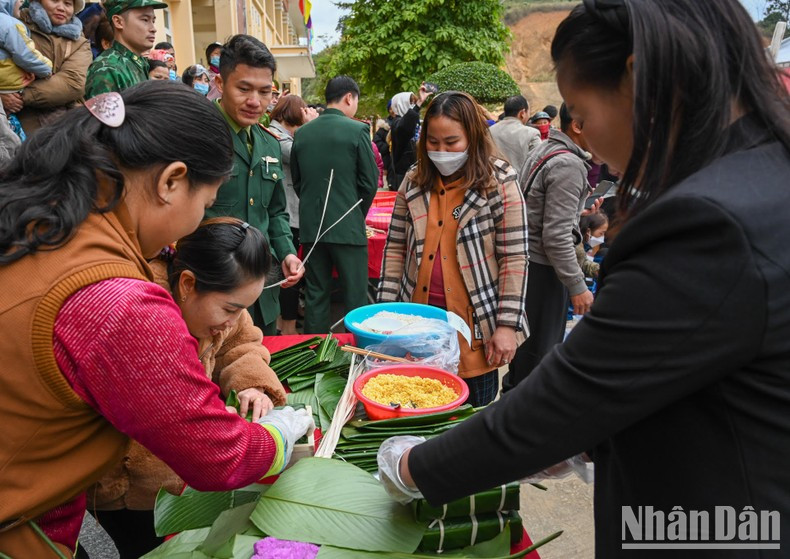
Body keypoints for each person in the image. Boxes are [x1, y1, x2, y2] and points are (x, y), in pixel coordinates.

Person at [377, 1, 790, 557]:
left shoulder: (706, 221)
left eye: (581, 111)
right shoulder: (766, 175)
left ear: (639, 78)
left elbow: (571, 396)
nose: (585, 138)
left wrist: (413, 467)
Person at [0, 81, 313, 558]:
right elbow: (217, 456)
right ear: (171, 181)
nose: (196, 224)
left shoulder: (37, 222)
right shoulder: (116, 303)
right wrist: (280, 435)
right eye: (204, 205)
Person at [86, 217, 287, 558]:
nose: (233, 318)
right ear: (188, 284)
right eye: (230, 308)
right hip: (120, 480)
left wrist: (252, 384)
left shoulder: (221, 306)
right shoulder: (141, 314)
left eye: (243, 309)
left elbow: (241, 345)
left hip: (178, 479)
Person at [378, 91, 528, 407]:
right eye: (433, 142)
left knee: (470, 427)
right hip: (413, 328)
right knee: (418, 411)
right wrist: (383, 317)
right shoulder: (414, 180)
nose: (441, 151)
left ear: (472, 137)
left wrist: (506, 325)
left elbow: (514, 256)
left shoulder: (498, 181)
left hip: (474, 330)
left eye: (452, 142)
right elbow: (394, 249)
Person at [206, 34, 303, 334]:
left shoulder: (268, 143)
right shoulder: (200, 136)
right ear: (221, 84)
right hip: (214, 287)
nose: (254, 102)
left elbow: (276, 211)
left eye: (264, 92)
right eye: (243, 89)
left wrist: (287, 251)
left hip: (263, 286)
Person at [500, 102, 594, 392]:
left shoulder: (544, 148)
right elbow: (555, 237)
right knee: (537, 359)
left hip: (527, 264)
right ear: (577, 126)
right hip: (544, 271)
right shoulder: (569, 164)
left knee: (524, 356)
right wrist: (577, 286)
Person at [290, 75, 379, 334]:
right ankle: (356, 352)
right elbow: (369, 181)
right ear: (349, 97)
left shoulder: (303, 133)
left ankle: (315, 354)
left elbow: (298, 182)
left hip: (311, 226)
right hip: (348, 227)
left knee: (316, 295)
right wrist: (355, 214)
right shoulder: (357, 129)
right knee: (355, 297)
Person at [268, 94, 318, 335]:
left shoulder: (285, 134)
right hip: (286, 215)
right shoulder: (275, 136)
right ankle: (286, 327)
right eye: (304, 109)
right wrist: (311, 128)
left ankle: (284, 322)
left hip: (291, 213)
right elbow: (299, 153)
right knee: (288, 273)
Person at [14, 0, 92, 135]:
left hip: (67, 126)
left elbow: (72, 83)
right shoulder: (16, 27)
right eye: (55, 0)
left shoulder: (80, 43)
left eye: (68, 4)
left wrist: (19, 96)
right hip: (21, 124)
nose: (61, 8)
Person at [84, 0, 167, 98]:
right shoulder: (108, 69)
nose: (153, 28)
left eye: (153, 21)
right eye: (145, 20)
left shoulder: (138, 62)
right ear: (118, 22)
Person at [0, 0, 53, 139]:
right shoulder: (10, 24)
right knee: (8, 138)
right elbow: (25, 55)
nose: (22, 2)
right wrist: (46, 68)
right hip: (9, 87)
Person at [389, 85, 431, 189]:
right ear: (400, 104)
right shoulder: (397, 123)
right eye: (410, 102)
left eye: (413, 102)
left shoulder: (410, 121)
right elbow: (405, 127)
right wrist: (418, 104)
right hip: (403, 175)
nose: (412, 106)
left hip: (414, 171)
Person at [488, 94, 541, 175]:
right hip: (519, 185)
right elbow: (539, 162)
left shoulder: (489, 131)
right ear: (522, 113)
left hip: (493, 183)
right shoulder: (531, 134)